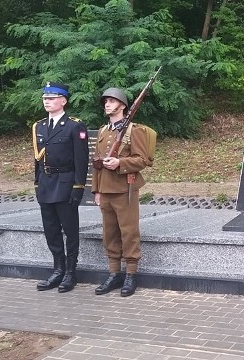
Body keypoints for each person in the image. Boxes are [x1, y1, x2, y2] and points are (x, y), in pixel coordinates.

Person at [91, 87, 150, 297]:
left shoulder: (135, 130)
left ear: (123, 105)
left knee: (129, 233)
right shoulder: (103, 130)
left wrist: (120, 162)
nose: (107, 104)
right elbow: (97, 163)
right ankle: (114, 274)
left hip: (125, 189)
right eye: (105, 101)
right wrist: (96, 190)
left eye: (111, 101)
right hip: (105, 190)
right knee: (110, 234)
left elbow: (143, 160)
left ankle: (131, 274)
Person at [33, 82, 89, 293]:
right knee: (51, 230)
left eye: (52, 98)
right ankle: (58, 268)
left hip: (66, 183)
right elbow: (37, 160)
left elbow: (81, 160)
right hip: (46, 184)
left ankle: (70, 272)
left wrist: (78, 187)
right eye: (45, 98)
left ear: (63, 101)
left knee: (70, 230)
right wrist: (37, 183)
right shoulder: (39, 126)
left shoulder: (74, 126)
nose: (47, 101)